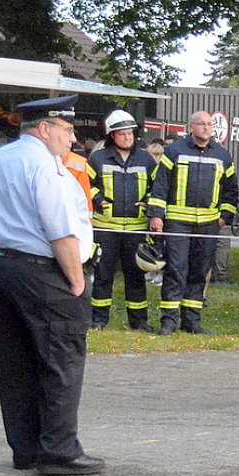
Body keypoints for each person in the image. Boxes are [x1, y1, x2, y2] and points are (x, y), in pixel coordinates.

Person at [0, 96, 101, 476]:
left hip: (0, 265)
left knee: (14, 362)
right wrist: (76, 280)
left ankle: (25, 447)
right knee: (60, 358)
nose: (71, 138)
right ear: (44, 128)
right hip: (44, 272)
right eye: (66, 129)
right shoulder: (46, 166)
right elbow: (61, 229)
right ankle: (58, 450)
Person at [147, 110, 236, 334]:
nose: (206, 128)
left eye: (209, 124)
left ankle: (192, 321)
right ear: (191, 127)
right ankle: (169, 320)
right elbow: (160, 185)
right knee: (176, 269)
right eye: (201, 124)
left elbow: (231, 191)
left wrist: (224, 217)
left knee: (199, 270)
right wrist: (156, 215)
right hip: (177, 222)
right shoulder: (174, 151)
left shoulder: (223, 156)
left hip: (208, 224)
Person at [86, 110, 155, 330]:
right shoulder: (98, 158)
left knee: (135, 275)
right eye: (122, 134)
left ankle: (139, 321)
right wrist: (98, 200)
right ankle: (99, 319)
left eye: (130, 134)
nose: (127, 137)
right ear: (112, 136)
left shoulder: (146, 159)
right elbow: (85, 185)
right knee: (103, 275)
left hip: (136, 228)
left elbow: (158, 188)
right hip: (105, 228)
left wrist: (148, 202)